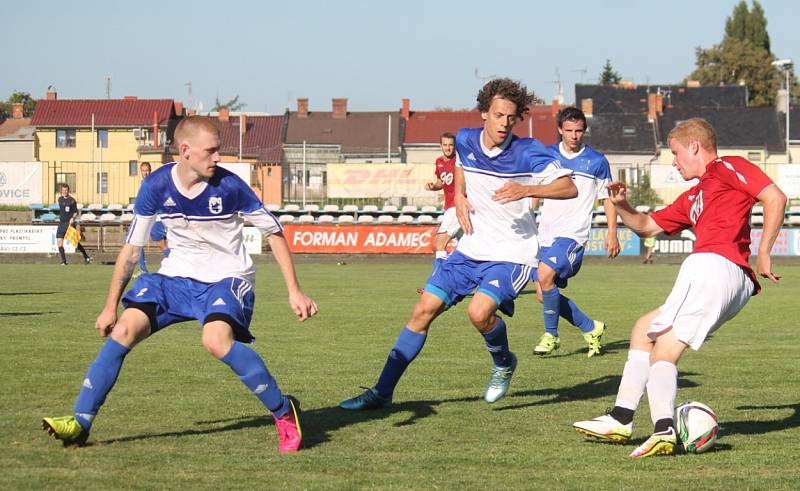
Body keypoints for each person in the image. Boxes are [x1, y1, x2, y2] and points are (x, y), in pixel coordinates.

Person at [42, 116, 318, 453]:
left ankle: (283, 412)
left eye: (219, 151)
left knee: (215, 341)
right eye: (211, 151)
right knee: (123, 331)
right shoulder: (156, 186)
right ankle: (80, 422)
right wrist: (109, 306)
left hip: (226, 277)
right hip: (174, 278)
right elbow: (131, 251)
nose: (218, 158)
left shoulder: (230, 186)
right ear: (185, 151)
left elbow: (273, 232)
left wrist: (294, 289)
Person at [340, 78, 577, 411]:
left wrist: (527, 190)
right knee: (422, 311)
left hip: (513, 253)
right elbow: (462, 167)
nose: (504, 123)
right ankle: (381, 392)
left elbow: (568, 188)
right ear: (484, 113)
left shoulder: (528, 151)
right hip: (471, 249)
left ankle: (504, 362)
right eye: (498, 115)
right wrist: (461, 196)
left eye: (511, 117)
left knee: (479, 313)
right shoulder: (465, 139)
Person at [573, 118, 786, 458]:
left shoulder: (729, 166)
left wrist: (764, 251)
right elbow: (647, 227)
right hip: (719, 274)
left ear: (695, 147)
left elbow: (775, 196)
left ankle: (663, 430)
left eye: (675, 153)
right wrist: (623, 206)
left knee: (664, 347)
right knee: (644, 330)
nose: (674, 161)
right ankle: (621, 418)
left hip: (715, 266)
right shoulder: (694, 195)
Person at [529, 107, 619, 357]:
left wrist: (612, 232)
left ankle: (551, 335)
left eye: (579, 131)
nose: (574, 136)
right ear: (560, 130)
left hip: (573, 234)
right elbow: (535, 188)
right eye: (569, 130)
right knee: (543, 294)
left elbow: (607, 198)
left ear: (584, 131)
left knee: (545, 275)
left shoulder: (597, 161)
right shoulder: (546, 156)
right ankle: (591, 328)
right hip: (545, 233)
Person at [136, 162, 169, 273]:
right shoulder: (144, 183)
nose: (146, 173)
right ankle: (143, 270)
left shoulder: (153, 183)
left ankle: (175, 266)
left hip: (155, 218)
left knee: (162, 245)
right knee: (137, 242)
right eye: (144, 170)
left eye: (148, 170)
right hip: (147, 217)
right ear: (140, 171)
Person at [55, 184, 91, 265]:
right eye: (63, 190)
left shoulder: (72, 200)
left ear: (68, 191)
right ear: (61, 191)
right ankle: (64, 261)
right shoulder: (60, 199)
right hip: (61, 224)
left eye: (66, 190)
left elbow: (75, 212)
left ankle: (86, 257)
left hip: (69, 224)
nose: (64, 192)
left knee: (76, 243)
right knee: (59, 242)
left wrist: (72, 218)